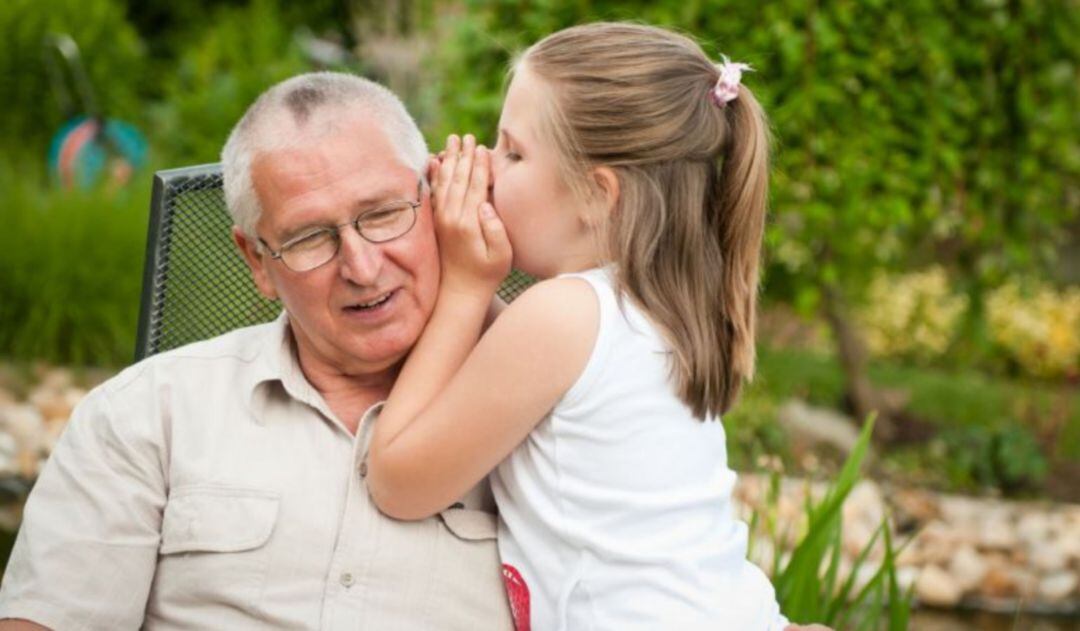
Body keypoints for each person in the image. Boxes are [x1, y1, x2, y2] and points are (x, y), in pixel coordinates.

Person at [0, 72, 514, 630]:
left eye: (385, 213)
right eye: (309, 238)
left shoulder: (547, 416)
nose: (363, 269)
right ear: (256, 262)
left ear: (437, 202)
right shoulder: (145, 415)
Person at [366, 22, 794, 630]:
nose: (488, 163)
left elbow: (398, 482)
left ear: (597, 196)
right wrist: (472, 276)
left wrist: (465, 284)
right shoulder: (658, 309)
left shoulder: (561, 317)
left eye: (513, 151)